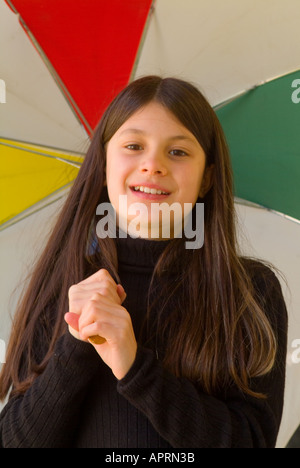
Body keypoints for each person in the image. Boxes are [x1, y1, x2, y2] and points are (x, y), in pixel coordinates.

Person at [0, 76, 288, 448]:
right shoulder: (67, 287)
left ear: (207, 179)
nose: (152, 165)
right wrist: (76, 344)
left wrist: (136, 367)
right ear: (104, 165)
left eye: (178, 152)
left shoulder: (250, 292)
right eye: (134, 146)